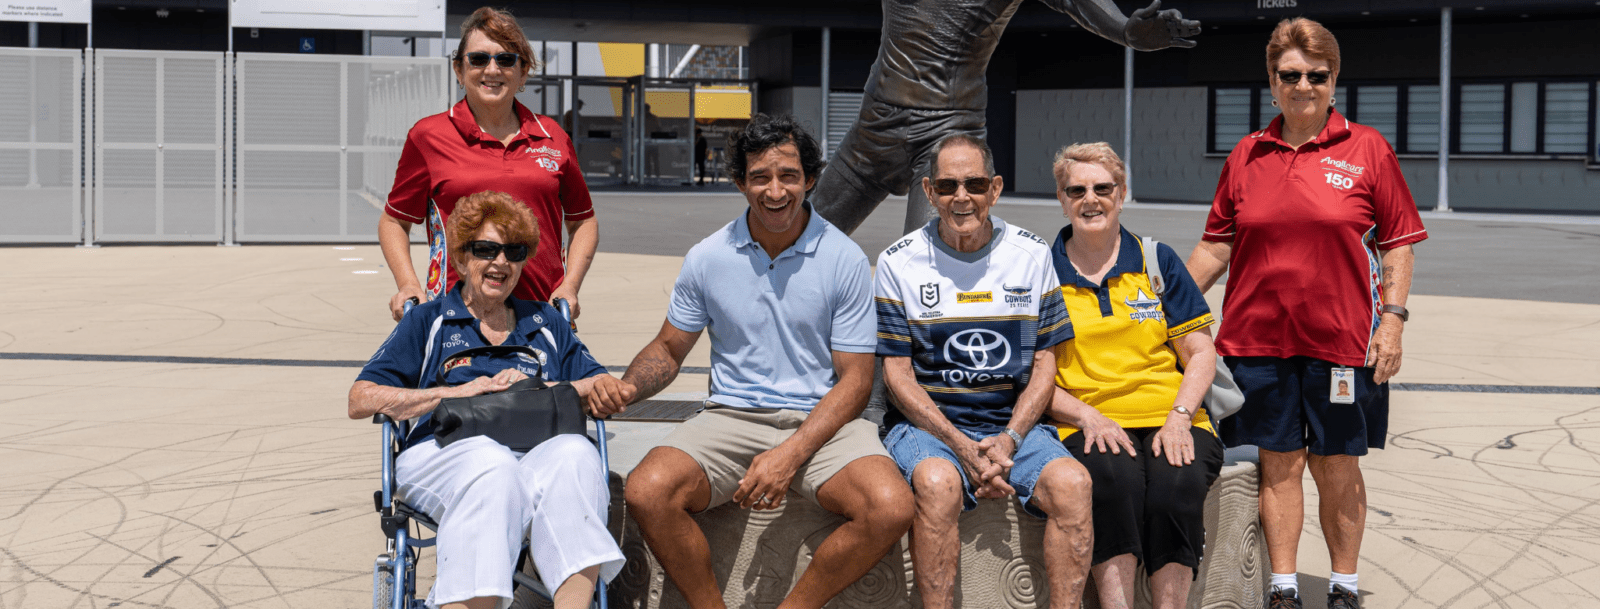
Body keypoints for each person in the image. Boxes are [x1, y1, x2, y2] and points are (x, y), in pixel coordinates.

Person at [594, 114, 915, 609]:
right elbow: (669, 348)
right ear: (741, 182)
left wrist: (789, 456)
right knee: (647, 491)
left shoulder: (843, 258)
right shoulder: (708, 256)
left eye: (788, 175)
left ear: (810, 179)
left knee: (890, 507)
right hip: (731, 415)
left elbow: (855, 380)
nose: (775, 190)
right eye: (759, 177)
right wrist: (629, 388)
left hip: (823, 419)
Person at [1185, 18, 1426, 609]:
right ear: (1272, 81)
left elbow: (1398, 242)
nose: (1303, 86)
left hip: (1343, 344)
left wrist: (1390, 321)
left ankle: (1343, 588)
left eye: (1316, 75)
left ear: (1334, 79)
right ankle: (1285, 588)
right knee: (1278, 466)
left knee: (1337, 467)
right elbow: (1217, 244)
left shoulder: (1368, 149)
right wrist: (1167, 308)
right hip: (1256, 343)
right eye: (1290, 75)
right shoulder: (1247, 154)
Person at [349, 191, 629, 609]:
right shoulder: (430, 320)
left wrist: (536, 388)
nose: (501, 262)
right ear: (461, 259)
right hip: (442, 452)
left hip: (534, 453)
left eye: (514, 252)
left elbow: (603, 385)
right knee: (490, 463)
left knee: (575, 453)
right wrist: (458, 391)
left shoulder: (545, 322)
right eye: (486, 249)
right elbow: (361, 398)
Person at [874, 134, 1091, 609]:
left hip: (1012, 426)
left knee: (1074, 485)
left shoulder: (1032, 255)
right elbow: (897, 376)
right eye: (948, 185)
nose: (961, 197)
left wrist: (1008, 439)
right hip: (929, 427)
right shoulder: (897, 262)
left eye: (974, 184)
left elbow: (1044, 364)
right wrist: (961, 446)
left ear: (994, 189)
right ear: (929, 193)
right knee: (938, 484)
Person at [810, 0, 1200, 236]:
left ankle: (899, 371)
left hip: (947, 134)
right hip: (874, 125)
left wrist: (1125, 31)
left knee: (931, 269)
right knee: (795, 240)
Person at [1046, 142, 1223, 609]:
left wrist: (1181, 416)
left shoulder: (1156, 260)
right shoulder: (1040, 272)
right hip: (1086, 418)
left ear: (1121, 194)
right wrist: (1086, 416)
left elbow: (1201, 351)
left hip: (1172, 414)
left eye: (1103, 188)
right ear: (1062, 199)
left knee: (1177, 485)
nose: (1091, 200)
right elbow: (1032, 374)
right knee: (1111, 482)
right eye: (1077, 190)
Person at [379, 7, 599, 323]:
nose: (492, 69)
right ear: (459, 69)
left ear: (523, 72)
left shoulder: (554, 137)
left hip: (540, 318)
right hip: (455, 318)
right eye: (479, 59)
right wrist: (408, 283)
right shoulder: (428, 136)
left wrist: (570, 286)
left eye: (506, 59)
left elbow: (584, 222)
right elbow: (393, 222)